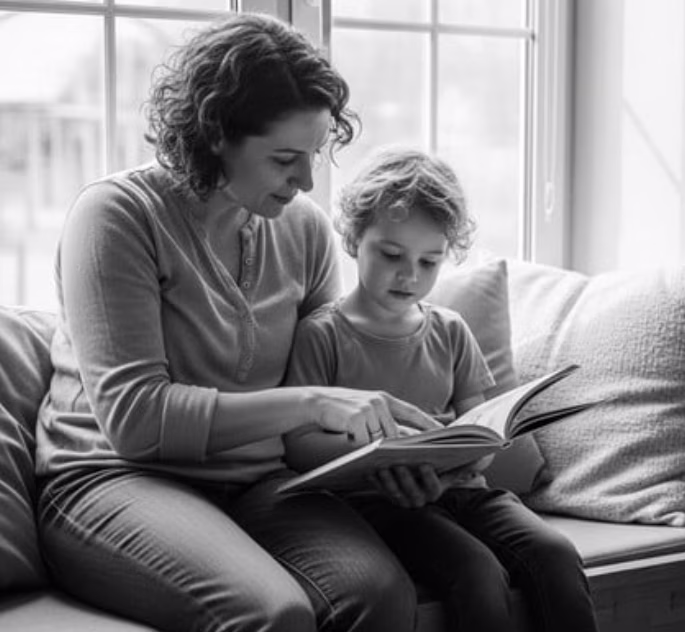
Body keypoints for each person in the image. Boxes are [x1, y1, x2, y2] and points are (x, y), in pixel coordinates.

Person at [34, 14, 443, 632]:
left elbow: (328, 390)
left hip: (257, 481)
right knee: (273, 613)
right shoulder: (117, 217)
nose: (307, 180)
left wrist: (389, 456)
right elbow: (137, 420)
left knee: (379, 594)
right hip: (112, 480)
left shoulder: (302, 229)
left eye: (313, 155)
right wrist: (310, 402)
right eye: (285, 159)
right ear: (215, 135)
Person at [283, 147, 599, 632]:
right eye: (391, 255)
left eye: (429, 261)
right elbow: (298, 447)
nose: (409, 275)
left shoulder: (450, 330)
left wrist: (462, 459)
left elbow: (481, 436)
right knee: (477, 571)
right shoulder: (322, 334)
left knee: (555, 552)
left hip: (464, 492)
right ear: (353, 239)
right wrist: (380, 453)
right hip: (380, 506)